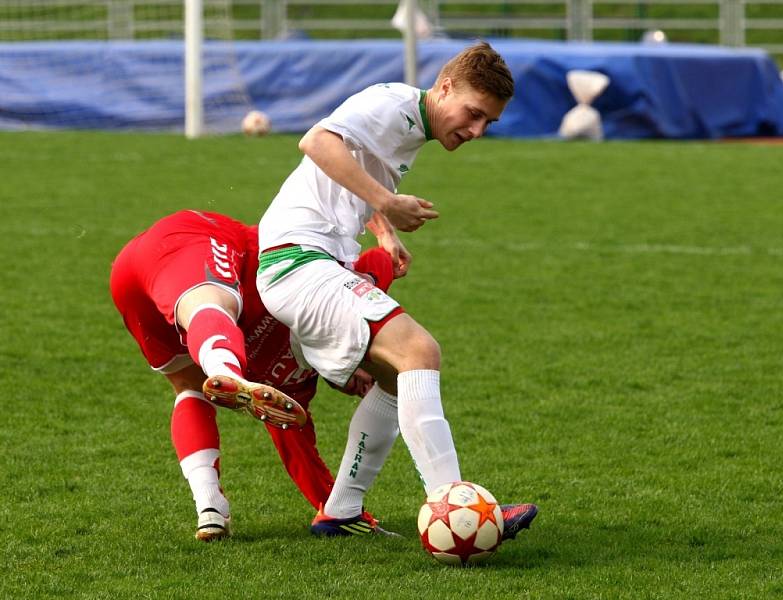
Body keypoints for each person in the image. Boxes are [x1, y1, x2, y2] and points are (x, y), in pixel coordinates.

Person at [254, 41, 538, 539]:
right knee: (419, 351)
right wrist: (388, 200)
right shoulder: (392, 104)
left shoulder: (410, 124)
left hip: (308, 263)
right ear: (444, 87)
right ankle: (457, 509)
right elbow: (317, 142)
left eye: (487, 123)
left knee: (394, 377)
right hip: (297, 263)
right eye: (472, 114)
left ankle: (339, 511)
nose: (476, 131)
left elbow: (358, 164)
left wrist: (383, 228)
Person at [110, 209, 396, 541]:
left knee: (188, 387)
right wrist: (386, 237)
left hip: (132, 284)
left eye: (366, 390)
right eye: (372, 373)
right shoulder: (332, 303)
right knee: (214, 303)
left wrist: (334, 508)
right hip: (193, 238)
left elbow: (300, 453)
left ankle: (210, 507)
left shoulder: (294, 386)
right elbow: (380, 264)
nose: (365, 384)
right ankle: (226, 372)